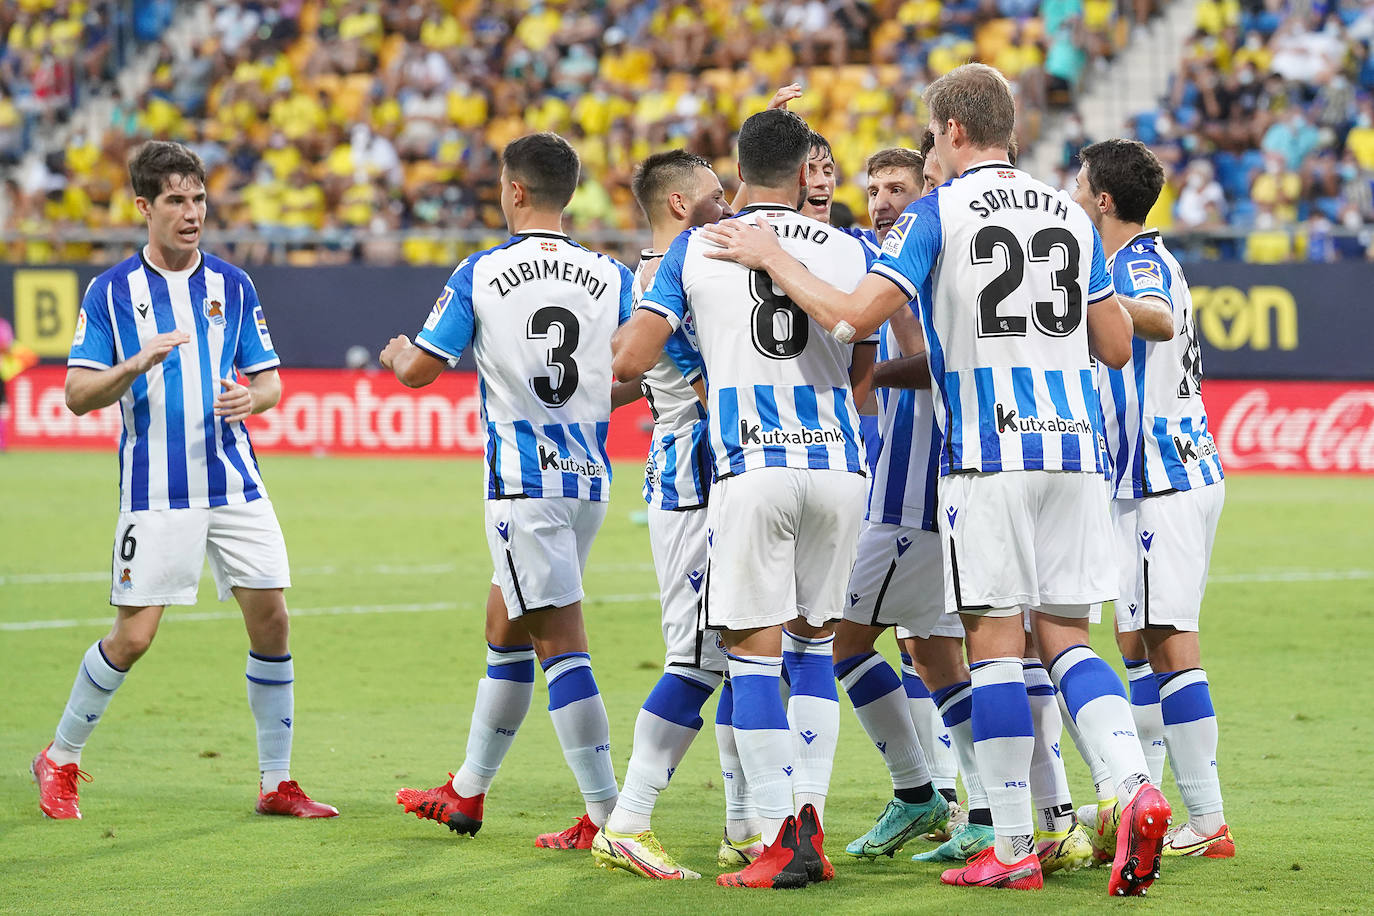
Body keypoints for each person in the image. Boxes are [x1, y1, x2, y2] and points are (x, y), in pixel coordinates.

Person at [701, 63, 1171, 896]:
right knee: (1066, 638)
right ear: (1007, 128)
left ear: (951, 131)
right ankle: (1131, 785)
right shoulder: (1069, 213)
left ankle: (1014, 843)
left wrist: (772, 254)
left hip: (989, 455)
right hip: (1076, 454)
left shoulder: (938, 212)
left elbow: (852, 318)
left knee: (993, 646)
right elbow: (1114, 346)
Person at [613, 108, 884, 890]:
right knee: (814, 649)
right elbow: (867, 363)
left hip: (752, 464)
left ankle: (772, 834)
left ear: (737, 172)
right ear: (806, 173)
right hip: (840, 467)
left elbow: (630, 360)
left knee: (750, 657)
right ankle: (808, 824)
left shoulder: (698, 246)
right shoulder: (851, 247)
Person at [32, 140, 337, 821]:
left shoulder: (234, 284)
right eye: (175, 200)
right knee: (134, 637)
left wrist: (251, 399)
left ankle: (276, 781)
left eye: (198, 199)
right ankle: (60, 756)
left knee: (273, 620)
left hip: (235, 481)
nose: (192, 212)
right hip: (155, 490)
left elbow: (271, 383)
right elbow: (76, 396)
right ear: (144, 207)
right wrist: (133, 365)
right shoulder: (112, 292)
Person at [385, 132, 634, 850]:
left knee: (561, 645)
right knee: (505, 625)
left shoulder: (483, 271)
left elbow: (421, 370)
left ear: (515, 190)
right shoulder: (612, 275)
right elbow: (638, 373)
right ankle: (468, 790)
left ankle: (609, 816)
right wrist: (586, 401)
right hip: (588, 480)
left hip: (524, 485)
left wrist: (397, 354)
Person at [590, 149, 760, 880]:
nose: (732, 208)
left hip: (704, 473)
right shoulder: (674, 279)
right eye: (719, 196)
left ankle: (745, 826)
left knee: (740, 654)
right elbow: (704, 382)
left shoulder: (667, 267)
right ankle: (628, 822)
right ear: (682, 207)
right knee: (695, 660)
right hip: (694, 477)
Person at [1070, 138, 1232, 860]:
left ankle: (1208, 821)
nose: (1071, 196)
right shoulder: (1131, 259)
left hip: (1160, 478)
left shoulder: (1135, 262)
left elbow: (1160, 319)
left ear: (1103, 200)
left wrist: (1086, 296)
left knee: (1168, 641)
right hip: (1162, 477)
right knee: (1134, 642)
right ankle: (1144, 801)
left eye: (1079, 186)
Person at [830, 144, 969, 863]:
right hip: (942, 493)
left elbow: (932, 364)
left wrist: (872, 373)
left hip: (912, 498)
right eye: (875, 189)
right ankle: (985, 811)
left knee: (845, 644)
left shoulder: (918, 269)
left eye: (897, 189)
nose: (883, 202)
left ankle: (917, 793)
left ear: (926, 193)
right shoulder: (896, 260)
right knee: (938, 657)